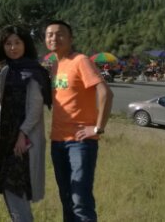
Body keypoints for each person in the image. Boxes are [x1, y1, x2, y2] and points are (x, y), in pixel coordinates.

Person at [45, 20, 113, 222]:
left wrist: (98, 128)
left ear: (71, 38)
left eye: (60, 34)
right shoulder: (56, 64)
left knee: (80, 201)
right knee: (66, 199)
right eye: (49, 34)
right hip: (57, 141)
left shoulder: (81, 60)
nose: (54, 38)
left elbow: (105, 93)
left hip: (80, 142)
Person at [0, 26, 52, 222]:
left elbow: (36, 109)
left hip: (24, 140)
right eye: (8, 43)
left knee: (15, 188)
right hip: (6, 138)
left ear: (25, 44)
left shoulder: (34, 72)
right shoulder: (6, 71)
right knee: (10, 188)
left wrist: (22, 134)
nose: (13, 47)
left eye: (17, 42)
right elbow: (2, 105)